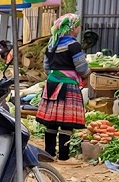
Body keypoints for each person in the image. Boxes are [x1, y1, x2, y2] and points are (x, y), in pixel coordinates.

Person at [37, 13, 90, 162]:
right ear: (72, 28)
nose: (79, 29)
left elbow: (46, 68)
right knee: (66, 122)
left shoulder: (51, 45)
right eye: (78, 26)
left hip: (51, 84)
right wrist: (87, 72)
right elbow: (82, 68)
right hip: (67, 86)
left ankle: (49, 154)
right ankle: (64, 157)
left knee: (51, 122)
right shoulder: (73, 45)